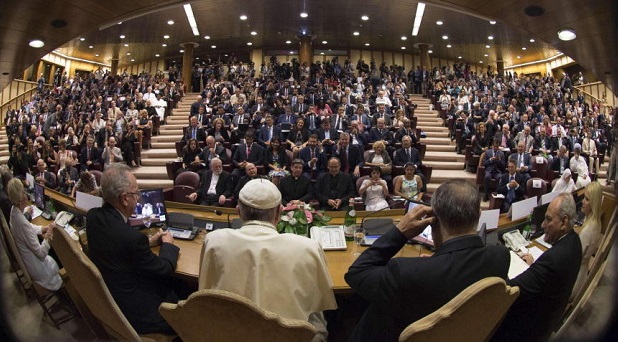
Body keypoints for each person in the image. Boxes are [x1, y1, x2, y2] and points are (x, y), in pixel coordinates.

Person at [345, 179, 510, 342]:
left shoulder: (405, 272)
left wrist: (400, 232)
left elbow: (356, 273)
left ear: (434, 219)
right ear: (479, 214)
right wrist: (438, 261)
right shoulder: (500, 256)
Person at [199, 179, 337, 340]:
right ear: (279, 213)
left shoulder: (213, 240)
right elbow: (320, 300)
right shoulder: (309, 247)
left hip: (230, 333)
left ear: (238, 211)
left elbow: (205, 293)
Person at [86, 164, 181, 335]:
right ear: (124, 199)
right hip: (140, 315)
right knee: (182, 288)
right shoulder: (132, 239)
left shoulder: (93, 217)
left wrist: (148, 242)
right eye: (136, 193)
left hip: (113, 302)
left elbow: (118, 244)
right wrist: (167, 244)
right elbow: (164, 269)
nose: (138, 198)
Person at [493, 193, 582, 341]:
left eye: (548, 219)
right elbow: (548, 278)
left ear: (564, 222)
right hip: (547, 318)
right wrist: (535, 267)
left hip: (528, 330)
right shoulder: (574, 241)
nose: (542, 225)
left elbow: (509, 290)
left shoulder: (553, 260)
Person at [7, 178, 62, 291]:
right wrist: (48, 234)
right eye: (23, 192)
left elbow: (29, 226)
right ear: (20, 197)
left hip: (32, 262)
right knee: (62, 255)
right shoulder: (21, 223)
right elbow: (41, 254)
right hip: (40, 270)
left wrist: (44, 228)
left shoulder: (14, 211)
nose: (26, 194)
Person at [571, 181, 603, 299]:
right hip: (581, 275)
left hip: (574, 281)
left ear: (594, 202)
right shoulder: (596, 222)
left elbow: (573, 260)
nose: (583, 202)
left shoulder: (587, 230)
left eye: (587, 199)